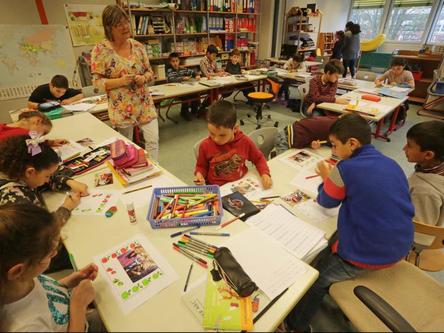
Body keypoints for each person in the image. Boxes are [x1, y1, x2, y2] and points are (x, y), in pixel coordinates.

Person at [283, 114, 414, 332]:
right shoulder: (391, 163)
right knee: (327, 246)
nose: (332, 150)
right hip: (402, 243)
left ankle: (294, 325)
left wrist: (327, 176)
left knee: (315, 281)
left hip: (371, 253)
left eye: (334, 145)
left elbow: (326, 201)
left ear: (352, 143)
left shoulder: (345, 169)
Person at [0, 203, 99, 332]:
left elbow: (44, 294)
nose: (55, 254)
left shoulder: (21, 281)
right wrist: (78, 306)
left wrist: (68, 281)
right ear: (18, 270)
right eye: (49, 254)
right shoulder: (26, 327)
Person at [0, 135, 85, 272]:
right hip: (32, 260)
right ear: (30, 172)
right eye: (47, 176)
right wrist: (66, 208)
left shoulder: (14, 170)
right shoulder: (16, 199)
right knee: (82, 248)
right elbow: (44, 231)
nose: (48, 180)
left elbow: (41, 179)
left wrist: (69, 182)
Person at [91, 5, 159, 160]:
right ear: (109, 27)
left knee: (153, 141)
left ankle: (154, 169)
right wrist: (120, 81)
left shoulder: (138, 46)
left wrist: (144, 78)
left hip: (144, 104)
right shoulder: (100, 50)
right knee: (126, 147)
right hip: (121, 108)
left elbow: (150, 71)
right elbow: (96, 82)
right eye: (119, 24)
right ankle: (133, 170)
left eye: (126, 22)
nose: (125, 26)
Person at [194, 101, 272, 189]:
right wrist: (199, 175)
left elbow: (259, 158)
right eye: (212, 133)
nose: (216, 139)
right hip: (218, 188)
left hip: (240, 183)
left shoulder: (244, 141)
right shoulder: (205, 146)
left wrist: (264, 173)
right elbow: (201, 166)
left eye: (222, 135)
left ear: (235, 128)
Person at [404, 121, 444, 227]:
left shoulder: (424, 191)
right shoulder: (434, 166)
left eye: (409, 145)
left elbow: (420, 236)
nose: (404, 148)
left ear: (428, 155)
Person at [166, 52, 201, 121]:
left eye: (176, 61)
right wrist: (182, 78)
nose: (175, 63)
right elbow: (171, 79)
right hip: (175, 92)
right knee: (186, 95)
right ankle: (184, 112)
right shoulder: (169, 71)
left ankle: (194, 110)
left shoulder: (182, 69)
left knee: (195, 93)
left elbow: (192, 72)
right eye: (173, 61)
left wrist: (197, 75)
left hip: (184, 89)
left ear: (179, 61)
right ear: (170, 62)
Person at [0, 111, 67, 147]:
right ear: (38, 121)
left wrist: (50, 142)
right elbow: (36, 154)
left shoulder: (3, 126)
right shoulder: (24, 134)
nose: (38, 137)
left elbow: (31, 143)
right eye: (40, 134)